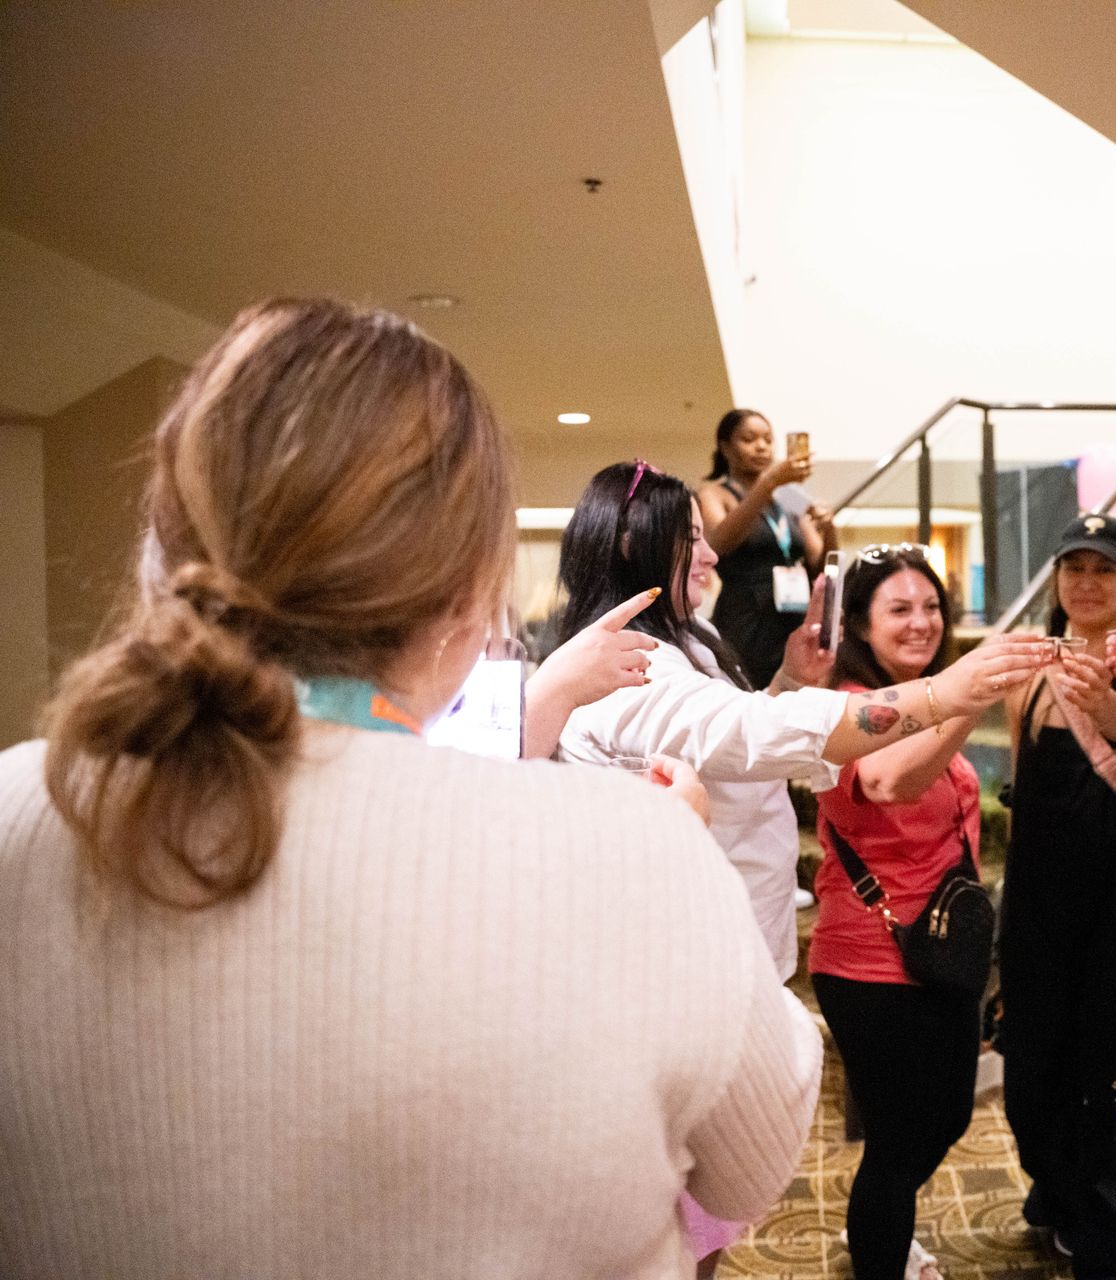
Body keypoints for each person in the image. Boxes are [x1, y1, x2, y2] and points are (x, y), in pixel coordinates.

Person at [0, 298, 821, 1278]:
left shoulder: (20, 814)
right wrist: (691, 865)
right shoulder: (639, 851)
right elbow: (754, 1165)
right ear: (474, 587)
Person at [555, 461, 1048, 980]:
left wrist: (790, 679)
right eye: (693, 538)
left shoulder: (691, 631)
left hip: (740, 929)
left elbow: (726, 736)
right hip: (684, 950)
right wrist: (945, 692)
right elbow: (752, 734)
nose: (711, 555)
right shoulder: (623, 663)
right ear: (635, 546)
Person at [998, 513, 1116, 1280]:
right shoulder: (1025, 668)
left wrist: (1114, 712)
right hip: (1041, 906)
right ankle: (1060, 1197)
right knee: (1035, 1073)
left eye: (1104, 570)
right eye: (1073, 567)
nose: (1087, 582)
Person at [810, 546, 984, 1280]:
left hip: (938, 950)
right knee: (898, 1141)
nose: (921, 623)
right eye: (899, 610)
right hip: (871, 956)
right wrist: (969, 697)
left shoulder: (922, 692)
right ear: (859, 624)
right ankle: (880, 1247)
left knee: (942, 1120)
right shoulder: (850, 706)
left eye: (931, 608)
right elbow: (887, 781)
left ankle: (884, 1228)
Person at [697, 408, 839, 688]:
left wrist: (831, 529)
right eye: (749, 439)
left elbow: (820, 566)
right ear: (725, 447)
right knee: (748, 695)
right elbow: (718, 544)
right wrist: (768, 483)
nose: (761, 446)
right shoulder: (715, 493)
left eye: (767, 439)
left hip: (793, 614)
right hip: (744, 617)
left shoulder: (788, 498)